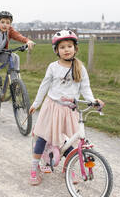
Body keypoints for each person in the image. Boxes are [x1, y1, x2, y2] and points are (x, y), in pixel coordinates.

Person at [28, 30, 104, 185]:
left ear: (75, 48)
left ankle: (68, 168)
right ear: (56, 50)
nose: (66, 49)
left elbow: (85, 88)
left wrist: (92, 100)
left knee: (72, 142)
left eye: (70, 46)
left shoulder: (80, 68)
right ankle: (34, 169)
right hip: (52, 108)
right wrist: (36, 104)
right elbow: (44, 86)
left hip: (70, 110)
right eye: (62, 47)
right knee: (43, 138)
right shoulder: (53, 67)